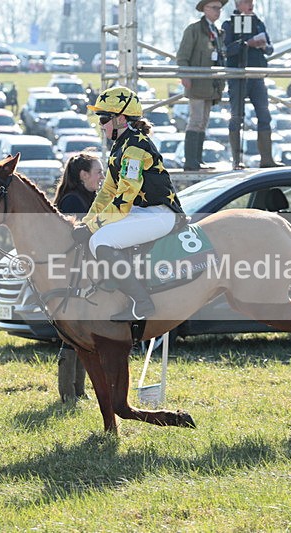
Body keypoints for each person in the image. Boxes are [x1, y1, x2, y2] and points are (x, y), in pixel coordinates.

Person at [72, 86, 185, 321]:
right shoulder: (120, 145)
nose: (101, 124)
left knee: (101, 240)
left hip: (161, 214)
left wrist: (91, 228)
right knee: (95, 235)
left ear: (121, 119)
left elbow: (123, 198)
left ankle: (142, 303)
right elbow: (107, 193)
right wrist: (87, 222)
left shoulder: (134, 147)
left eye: (104, 118)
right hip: (144, 211)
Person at [52, 151, 103, 402]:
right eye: (98, 172)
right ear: (83, 175)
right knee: (73, 333)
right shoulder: (73, 201)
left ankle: (79, 391)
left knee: (83, 331)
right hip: (73, 275)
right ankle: (67, 393)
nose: (102, 177)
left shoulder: (88, 197)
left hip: (84, 273)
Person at [222, 0, 280, 169]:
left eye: (252, 2)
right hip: (237, 76)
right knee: (236, 117)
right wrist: (247, 44)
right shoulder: (228, 25)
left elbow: (270, 49)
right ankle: (237, 160)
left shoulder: (258, 23)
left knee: (264, 115)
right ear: (237, 4)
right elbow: (226, 50)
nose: (251, 5)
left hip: (257, 75)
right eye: (246, 2)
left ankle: (266, 159)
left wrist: (263, 46)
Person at [176, 0, 227, 171]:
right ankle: (191, 161)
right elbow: (183, 55)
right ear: (205, 9)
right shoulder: (194, 29)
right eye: (214, 8)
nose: (218, 11)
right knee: (196, 120)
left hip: (211, 85)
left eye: (219, 8)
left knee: (203, 122)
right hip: (197, 83)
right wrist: (185, 75)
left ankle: (197, 160)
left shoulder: (217, 32)